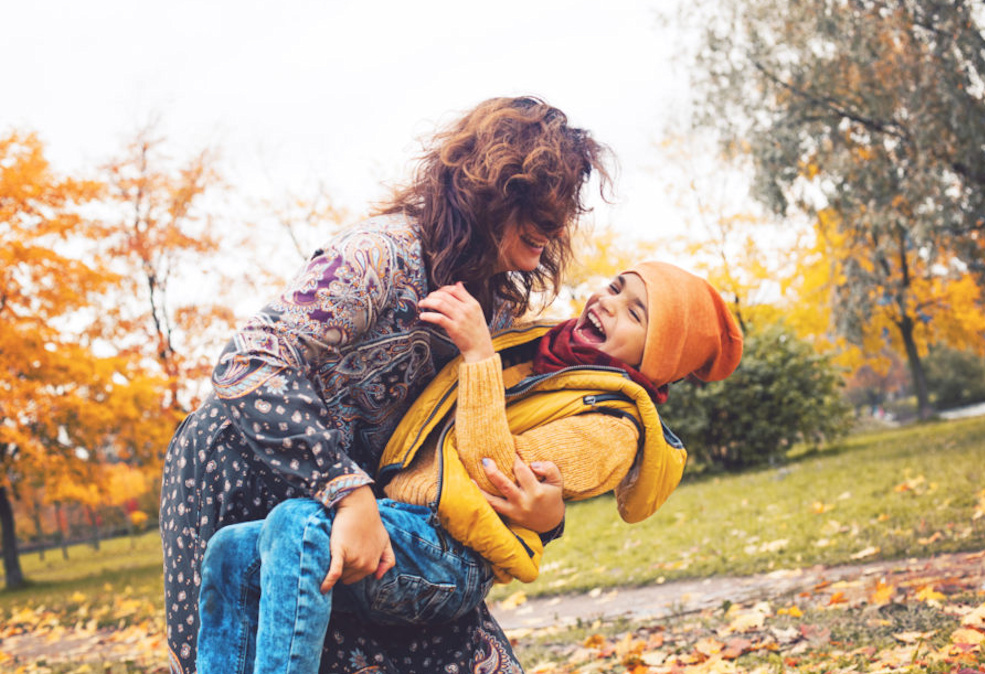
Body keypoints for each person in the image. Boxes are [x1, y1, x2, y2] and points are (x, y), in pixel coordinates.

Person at [159, 95, 613, 674]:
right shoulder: (380, 253)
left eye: (564, 210)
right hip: (244, 467)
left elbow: (483, 447)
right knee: (242, 650)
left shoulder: (493, 309)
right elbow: (248, 362)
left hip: (370, 501)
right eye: (543, 208)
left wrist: (546, 519)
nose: (553, 230)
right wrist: (345, 491)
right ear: (496, 190)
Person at [196, 262, 744, 673]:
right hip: (404, 526)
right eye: (618, 286)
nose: (609, 301)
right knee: (231, 552)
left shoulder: (612, 425)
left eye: (635, 312)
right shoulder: (540, 349)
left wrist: (479, 356)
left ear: (657, 361)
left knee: (299, 524)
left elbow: (494, 474)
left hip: (449, 558)